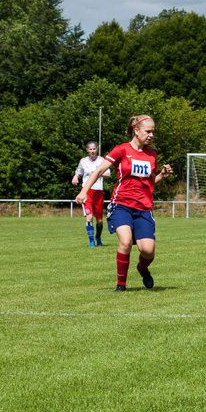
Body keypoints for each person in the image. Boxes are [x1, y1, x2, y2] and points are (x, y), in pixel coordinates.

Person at [74, 115, 173, 291]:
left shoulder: (152, 155)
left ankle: (142, 268)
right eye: (148, 131)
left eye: (153, 132)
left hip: (143, 208)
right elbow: (98, 171)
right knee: (126, 241)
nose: (151, 135)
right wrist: (83, 191)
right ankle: (121, 285)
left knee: (148, 250)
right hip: (121, 205)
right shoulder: (121, 150)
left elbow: (149, 182)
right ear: (136, 130)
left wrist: (161, 176)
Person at [72, 140, 111, 247]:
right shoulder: (83, 161)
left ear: (97, 149)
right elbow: (78, 172)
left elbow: (108, 174)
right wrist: (75, 177)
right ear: (87, 150)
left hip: (98, 192)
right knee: (89, 217)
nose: (92, 151)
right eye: (90, 149)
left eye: (94, 149)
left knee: (99, 220)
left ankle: (98, 238)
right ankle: (91, 241)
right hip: (87, 192)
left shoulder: (102, 160)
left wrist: (98, 173)